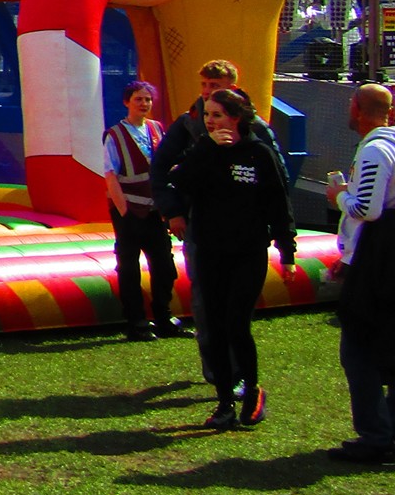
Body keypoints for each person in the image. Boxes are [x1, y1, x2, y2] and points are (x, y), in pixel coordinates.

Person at [152, 59, 292, 384]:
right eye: (203, 85)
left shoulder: (256, 131)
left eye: (214, 87)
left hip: (246, 237)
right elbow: (162, 171)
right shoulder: (189, 124)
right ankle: (219, 375)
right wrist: (173, 211)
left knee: (236, 314)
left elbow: (278, 184)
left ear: (232, 89)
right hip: (202, 230)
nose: (206, 92)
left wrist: (282, 241)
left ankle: (240, 375)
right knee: (206, 306)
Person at [169, 88, 298, 429]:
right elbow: (178, 181)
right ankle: (224, 402)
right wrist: (208, 148)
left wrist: (287, 251)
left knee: (236, 323)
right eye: (207, 115)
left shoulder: (258, 153)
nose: (210, 121)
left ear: (236, 118)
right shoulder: (203, 151)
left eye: (217, 115)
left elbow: (278, 203)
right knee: (214, 327)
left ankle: (252, 390)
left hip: (247, 252)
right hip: (210, 252)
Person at [325, 83, 395, 466]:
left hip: (378, 260)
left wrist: (339, 196)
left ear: (358, 108)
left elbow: (367, 209)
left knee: (358, 349)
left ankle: (376, 439)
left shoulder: (376, 150)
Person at [104, 80, 180, 340]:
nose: (144, 104)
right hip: (129, 210)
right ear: (127, 102)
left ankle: (163, 318)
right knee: (129, 267)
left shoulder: (157, 129)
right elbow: (110, 175)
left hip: (155, 210)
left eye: (147, 99)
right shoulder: (114, 135)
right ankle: (136, 322)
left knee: (164, 264)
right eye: (138, 99)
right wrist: (124, 211)